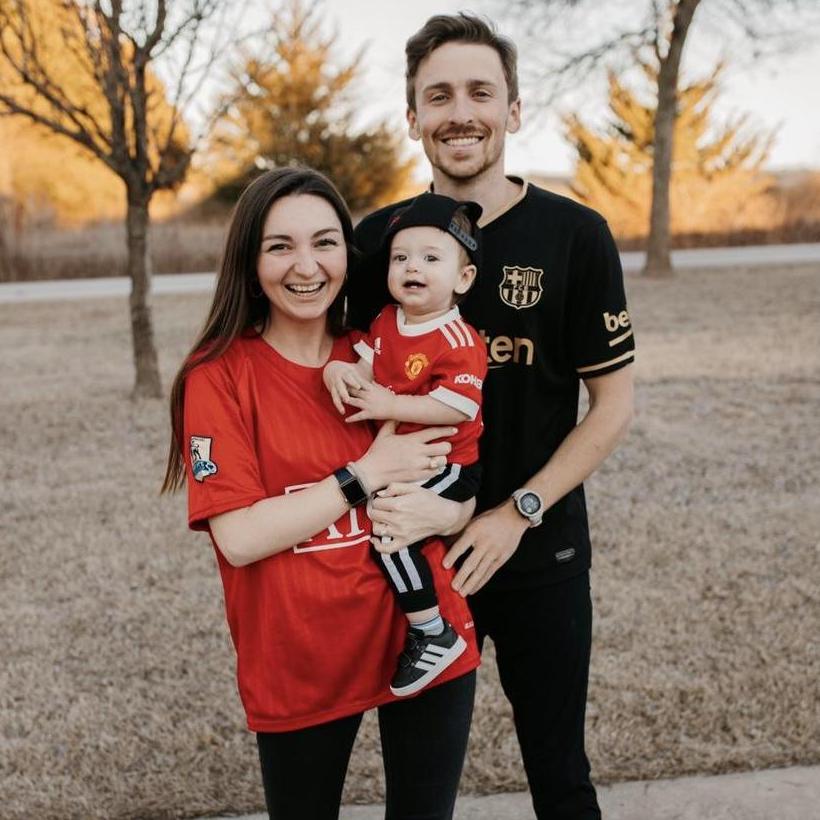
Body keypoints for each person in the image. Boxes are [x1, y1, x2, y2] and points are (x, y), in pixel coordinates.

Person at [348, 13, 635, 820]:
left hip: (541, 549)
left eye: (481, 91)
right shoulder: (381, 243)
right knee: (417, 792)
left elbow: (613, 405)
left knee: (560, 775)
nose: (459, 111)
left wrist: (519, 512)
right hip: (421, 559)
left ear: (513, 109)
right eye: (437, 96)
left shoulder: (577, 235)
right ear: (413, 117)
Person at [161, 167, 481, 820]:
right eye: (280, 246)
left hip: (424, 645)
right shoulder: (221, 378)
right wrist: (364, 473)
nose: (305, 265)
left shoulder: (383, 354)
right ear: (250, 264)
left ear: (348, 253)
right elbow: (241, 538)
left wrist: (452, 508)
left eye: (325, 242)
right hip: (302, 662)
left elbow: (458, 473)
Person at [323, 192, 487, 697]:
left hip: (450, 462)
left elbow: (455, 409)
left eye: (430, 259)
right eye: (401, 258)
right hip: (405, 458)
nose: (412, 267)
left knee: (390, 531)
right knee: (387, 525)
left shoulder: (459, 341)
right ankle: (426, 626)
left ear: (463, 279)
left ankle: (433, 631)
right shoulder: (387, 322)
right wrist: (342, 369)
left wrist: (389, 406)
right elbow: (368, 366)